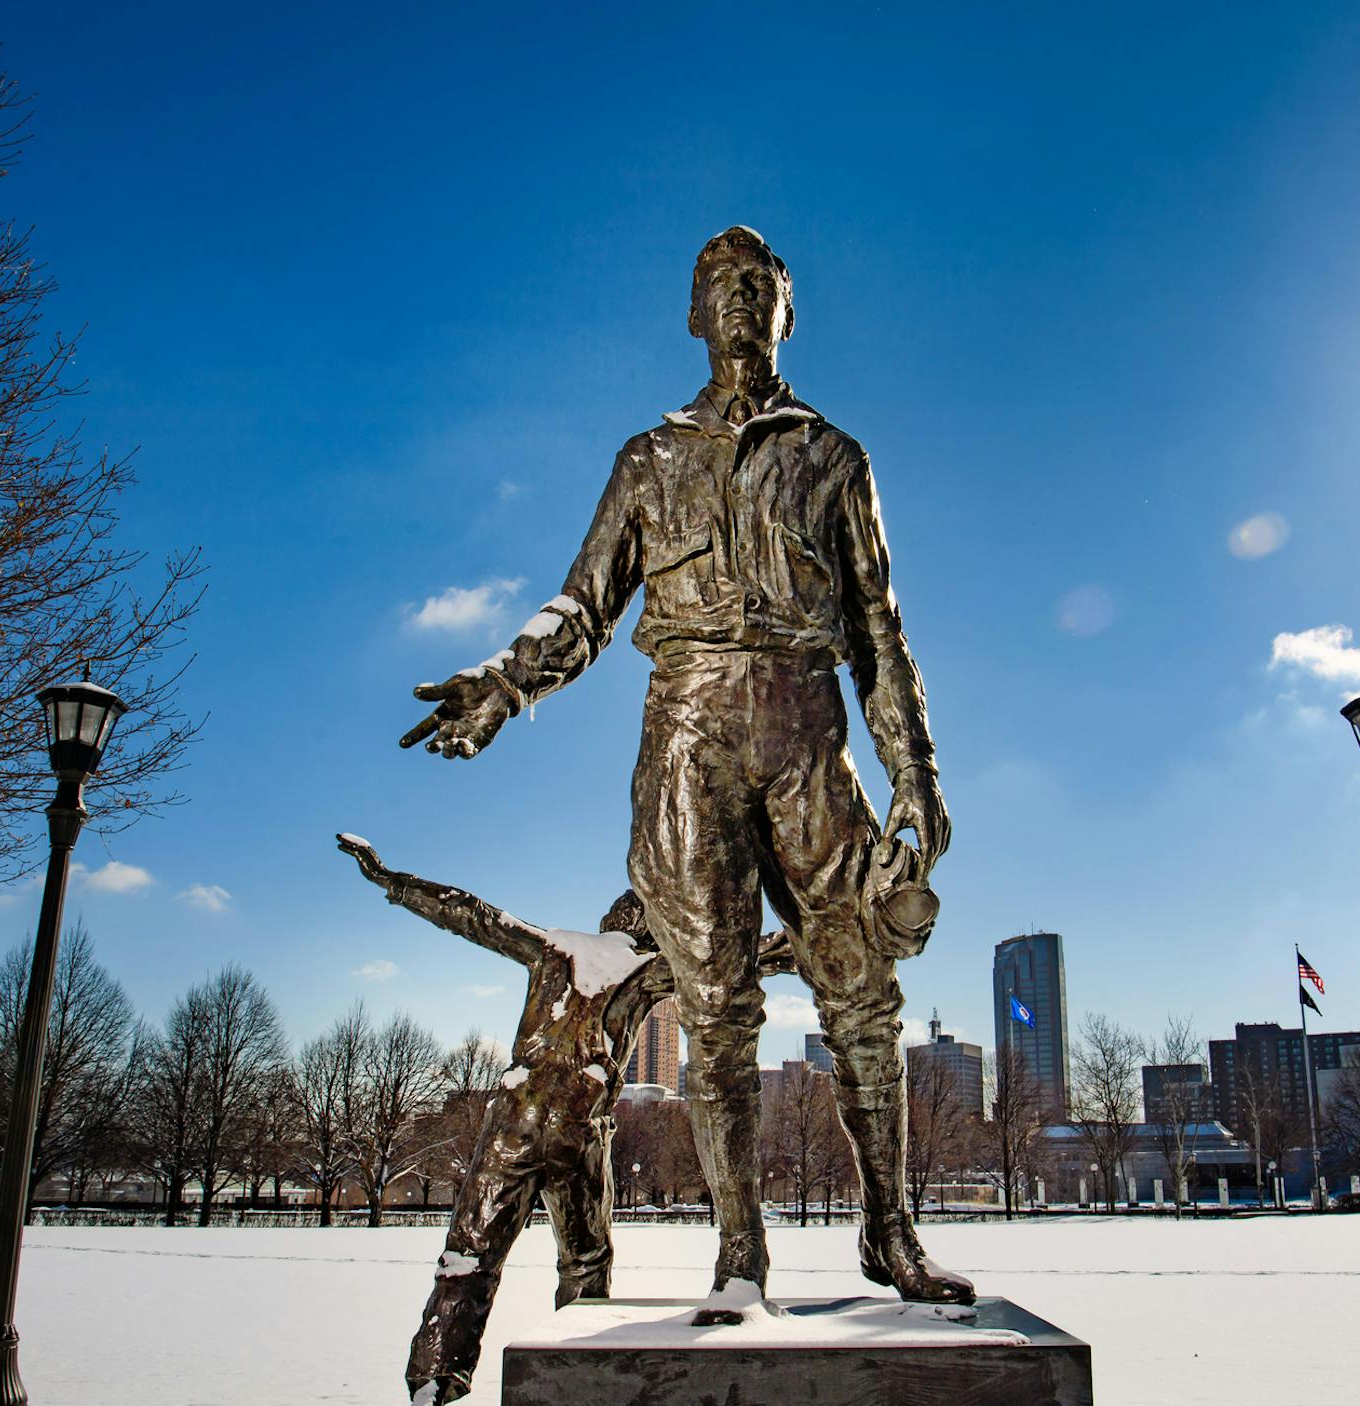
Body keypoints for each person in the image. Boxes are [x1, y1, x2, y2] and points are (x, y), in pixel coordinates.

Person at [399, 226, 969, 1316]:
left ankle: (890, 1228)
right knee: (715, 1006)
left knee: (859, 987)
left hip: (808, 730)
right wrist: (507, 683)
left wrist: (916, 772)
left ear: (786, 310)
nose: (743, 300)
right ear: (694, 314)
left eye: (763, 285)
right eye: (722, 287)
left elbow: (879, 632)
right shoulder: (648, 460)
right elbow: (585, 604)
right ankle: (740, 1254)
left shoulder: (833, 457)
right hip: (688, 739)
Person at [335, 833, 796, 1401]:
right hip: (575, 1136)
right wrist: (826, 936)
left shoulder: (555, 948)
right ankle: (579, 1373)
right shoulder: (649, 967)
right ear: (650, 926)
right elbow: (752, 956)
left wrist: (391, 881)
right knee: (582, 1263)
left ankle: (439, 1381)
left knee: (471, 1258)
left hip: (516, 1126)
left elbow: (469, 913)